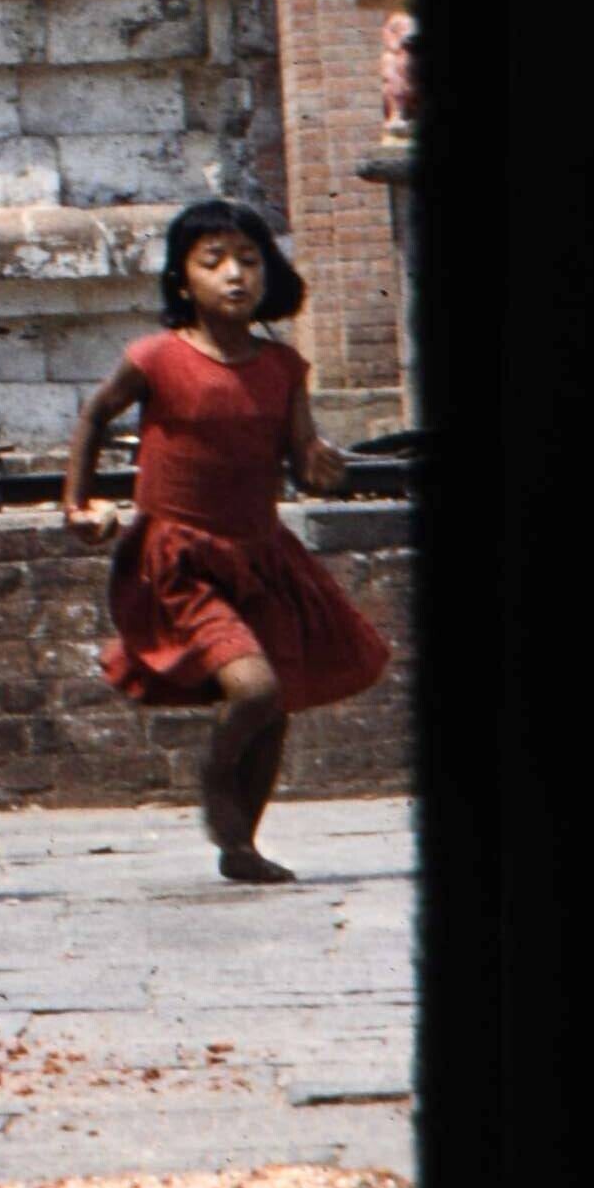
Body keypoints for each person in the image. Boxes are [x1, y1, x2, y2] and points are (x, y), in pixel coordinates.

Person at [62, 196, 387, 889]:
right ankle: (215, 776)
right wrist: (78, 503)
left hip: (259, 556)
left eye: (249, 260)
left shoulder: (283, 368)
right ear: (182, 280)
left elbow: (302, 460)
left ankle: (241, 845)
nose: (234, 275)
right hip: (178, 560)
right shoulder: (155, 358)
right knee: (255, 687)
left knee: (276, 706)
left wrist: (323, 467)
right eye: (213, 262)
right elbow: (94, 416)